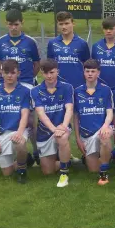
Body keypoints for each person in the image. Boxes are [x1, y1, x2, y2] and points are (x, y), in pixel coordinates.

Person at [0, 9, 41, 166]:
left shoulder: (30, 42)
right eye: (10, 25)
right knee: (7, 119)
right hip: (6, 85)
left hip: (26, 83)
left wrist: (28, 79)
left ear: (22, 23)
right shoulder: (0, 42)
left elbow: (37, 64)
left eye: (16, 24)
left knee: (30, 120)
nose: (13, 27)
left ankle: (36, 152)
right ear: (6, 24)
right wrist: (3, 81)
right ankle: (13, 153)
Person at [30, 59, 74, 187]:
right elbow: (41, 114)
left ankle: (64, 173)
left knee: (62, 137)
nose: (49, 76)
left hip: (62, 127)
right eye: (46, 73)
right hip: (45, 131)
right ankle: (66, 159)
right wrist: (54, 129)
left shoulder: (67, 87)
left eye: (52, 72)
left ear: (57, 72)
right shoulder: (35, 91)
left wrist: (64, 126)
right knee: (47, 172)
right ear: (42, 74)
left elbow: (69, 109)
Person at [0, 60, 32, 184]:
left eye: (13, 72)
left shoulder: (25, 91)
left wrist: (20, 132)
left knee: (20, 143)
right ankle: (27, 159)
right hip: (2, 133)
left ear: (18, 73)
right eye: (7, 73)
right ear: (2, 73)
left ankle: (22, 171)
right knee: (7, 173)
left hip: (18, 129)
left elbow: (25, 114)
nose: (10, 75)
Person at [73, 59, 115, 185]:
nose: (90, 74)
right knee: (92, 170)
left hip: (102, 128)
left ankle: (104, 173)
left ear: (98, 73)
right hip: (86, 134)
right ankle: (108, 156)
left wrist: (106, 126)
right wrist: (78, 139)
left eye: (93, 71)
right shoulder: (77, 91)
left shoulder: (106, 90)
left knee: (105, 137)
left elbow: (109, 112)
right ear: (84, 73)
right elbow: (75, 117)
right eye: (87, 71)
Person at [46, 11, 90, 89]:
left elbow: (88, 67)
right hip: (58, 87)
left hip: (78, 86)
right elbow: (49, 66)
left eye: (66, 23)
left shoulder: (82, 43)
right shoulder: (52, 43)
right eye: (61, 24)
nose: (64, 27)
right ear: (57, 25)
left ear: (73, 23)